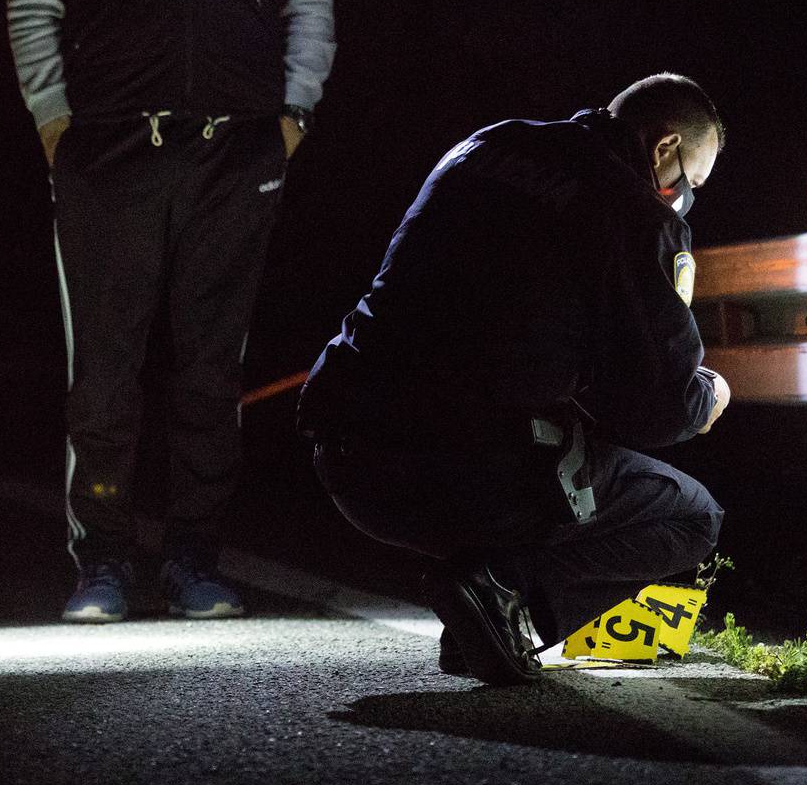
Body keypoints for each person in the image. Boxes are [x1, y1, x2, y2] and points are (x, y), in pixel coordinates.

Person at [8, 0, 336, 623]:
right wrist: (55, 122)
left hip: (236, 151)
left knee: (208, 368)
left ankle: (196, 555)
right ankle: (102, 561)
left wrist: (291, 116)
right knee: (103, 371)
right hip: (106, 148)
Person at [299, 74, 730, 684]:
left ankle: (486, 621)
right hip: (465, 468)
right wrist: (708, 396)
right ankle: (510, 593)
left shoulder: (487, 145)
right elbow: (654, 409)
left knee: (537, 424)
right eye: (691, 179)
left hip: (348, 453)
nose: (684, 196)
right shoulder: (634, 209)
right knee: (694, 515)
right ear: (664, 149)